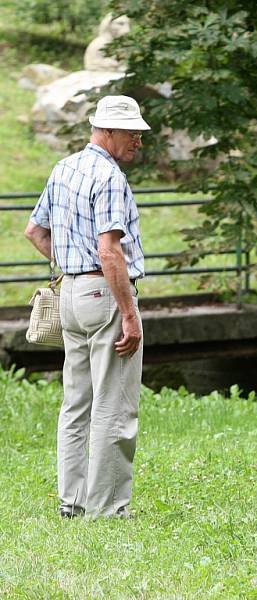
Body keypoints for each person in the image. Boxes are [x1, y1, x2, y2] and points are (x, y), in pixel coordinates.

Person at [24, 95, 149, 519]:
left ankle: (71, 502)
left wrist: (68, 270)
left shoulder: (65, 168)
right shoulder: (109, 177)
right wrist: (129, 314)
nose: (138, 141)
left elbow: (34, 231)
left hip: (72, 297)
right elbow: (110, 252)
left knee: (76, 403)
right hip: (105, 293)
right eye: (132, 133)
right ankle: (109, 508)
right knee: (114, 404)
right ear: (107, 131)